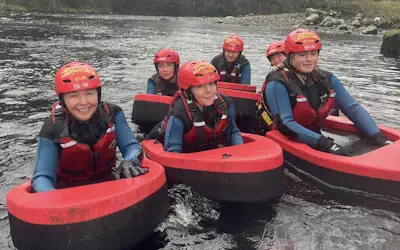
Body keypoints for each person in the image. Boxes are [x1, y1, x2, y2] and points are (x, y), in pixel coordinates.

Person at [259, 29, 391, 156]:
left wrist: (378, 137)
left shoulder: (326, 78)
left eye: (313, 54)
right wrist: (328, 145)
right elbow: (285, 125)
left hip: (311, 133)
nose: (309, 59)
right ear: (290, 56)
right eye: (302, 55)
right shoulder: (276, 82)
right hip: (281, 138)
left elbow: (352, 108)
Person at [32, 62, 147, 193]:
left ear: (98, 95)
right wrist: (53, 198)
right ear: (63, 100)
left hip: (108, 182)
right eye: (73, 96)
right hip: (69, 190)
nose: (83, 102)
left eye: (89, 94)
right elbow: (42, 177)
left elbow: (132, 146)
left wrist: (129, 161)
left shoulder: (113, 113)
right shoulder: (52, 127)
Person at [153, 60, 244, 153]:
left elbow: (233, 132)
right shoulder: (179, 114)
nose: (209, 90)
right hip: (185, 153)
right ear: (188, 91)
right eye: (200, 86)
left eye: (211, 84)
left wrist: (240, 153)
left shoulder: (227, 104)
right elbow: (173, 151)